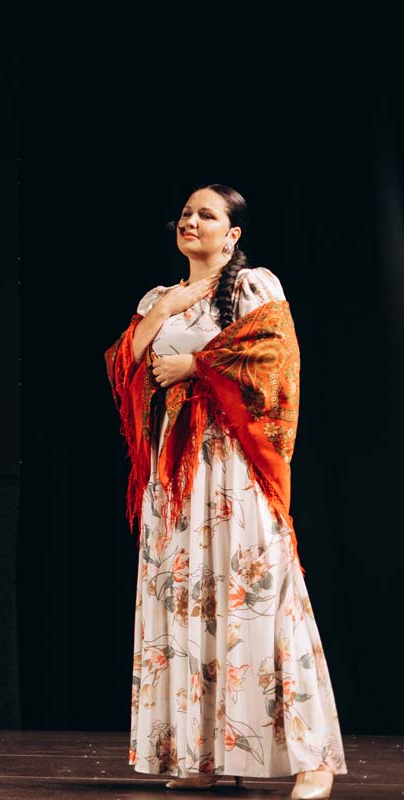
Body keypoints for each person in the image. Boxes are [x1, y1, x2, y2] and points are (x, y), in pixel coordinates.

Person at [104, 185, 344, 799]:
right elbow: (126, 365)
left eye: (206, 215)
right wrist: (167, 308)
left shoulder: (251, 287)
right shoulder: (159, 298)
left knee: (260, 600)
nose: (191, 221)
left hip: (233, 461)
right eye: (186, 213)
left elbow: (274, 359)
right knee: (188, 599)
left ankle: (312, 760)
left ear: (232, 233)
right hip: (175, 468)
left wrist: (196, 366)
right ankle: (207, 755)